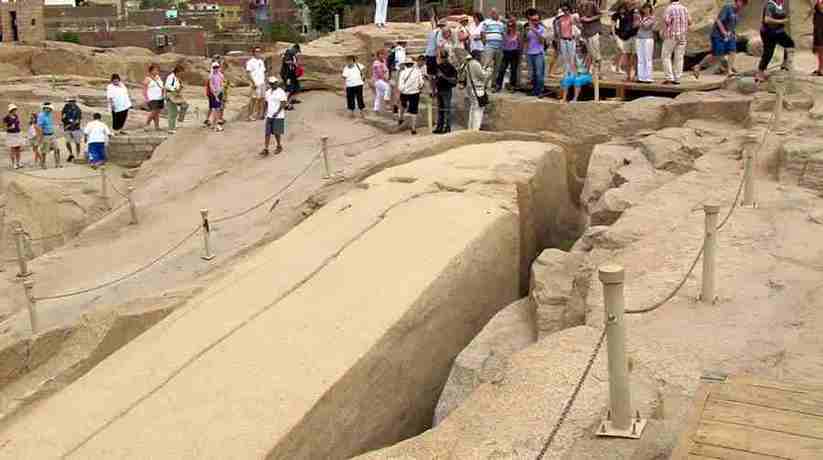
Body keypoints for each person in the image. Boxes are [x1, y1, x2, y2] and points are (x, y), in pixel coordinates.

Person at [692, 0, 746, 79]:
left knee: (732, 51)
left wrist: (733, 34)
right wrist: (724, 32)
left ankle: (729, 71)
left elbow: (732, 25)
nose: (742, 5)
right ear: (737, 1)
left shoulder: (737, 12)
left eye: (744, 3)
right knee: (716, 55)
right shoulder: (727, 7)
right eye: (741, 2)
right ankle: (698, 66)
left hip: (729, 35)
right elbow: (719, 20)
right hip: (718, 35)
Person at [757, 0, 794, 82]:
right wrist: (781, 21)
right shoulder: (770, 5)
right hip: (768, 33)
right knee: (768, 52)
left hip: (779, 31)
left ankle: (785, 64)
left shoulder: (779, 5)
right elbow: (767, 19)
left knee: (789, 44)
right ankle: (760, 73)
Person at [662, 0, 691, 85]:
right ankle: (677, 78)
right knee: (679, 57)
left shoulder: (669, 8)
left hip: (671, 36)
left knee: (666, 56)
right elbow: (690, 21)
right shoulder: (684, 8)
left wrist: (663, 31)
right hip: (683, 36)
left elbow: (667, 21)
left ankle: (669, 77)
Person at [613, 1, 639, 81]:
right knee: (627, 56)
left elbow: (636, 24)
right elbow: (620, 24)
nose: (630, 4)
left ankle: (636, 75)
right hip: (626, 37)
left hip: (635, 36)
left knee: (635, 57)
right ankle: (628, 76)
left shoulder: (636, 12)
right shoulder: (624, 12)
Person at [462, 53, 489, 131]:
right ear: (476, 55)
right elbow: (482, 76)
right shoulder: (476, 64)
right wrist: (488, 72)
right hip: (477, 89)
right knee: (478, 110)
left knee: (473, 108)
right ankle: (475, 129)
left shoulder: (467, 63)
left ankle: (470, 128)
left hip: (470, 88)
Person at [397, 57, 424, 135]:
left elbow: (400, 85)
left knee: (402, 105)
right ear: (412, 64)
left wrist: (403, 90)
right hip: (415, 93)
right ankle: (413, 128)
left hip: (405, 92)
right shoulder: (418, 71)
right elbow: (421, 83)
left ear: (405, 64)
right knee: (414, 111)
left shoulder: (403, 72)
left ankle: (400, 118)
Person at [555, 5, 579, 89]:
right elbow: (558, 30)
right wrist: (558, 40)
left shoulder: (572, 18)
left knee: (571, 57)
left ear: (570, 10)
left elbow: (577, 27)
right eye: (564, 10)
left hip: (570, 40)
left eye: (567, 10)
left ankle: (572, 75)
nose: (565, 11)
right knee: (565, 58)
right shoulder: (560, 19)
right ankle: (566, 75)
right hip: (563, 40)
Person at [480, 8, 505, 90]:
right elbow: (482, 33)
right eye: (493, 13)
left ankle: (493, 84)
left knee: (497, 67)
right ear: (491, 14)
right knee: (486, 66)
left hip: (499, 47)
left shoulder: (501, 24)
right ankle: (483, 84)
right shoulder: (486, 22)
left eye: (496, 13)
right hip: (489, 46)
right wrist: (485, 43)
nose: (495, 14)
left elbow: (502, 34)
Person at [524, 9, 547, 97]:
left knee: (539, 73)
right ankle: (534, 90)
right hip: (530, 53)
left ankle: (540, 91)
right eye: (533, 20)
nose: (535, 22)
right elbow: (526, 40)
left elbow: (542, 41)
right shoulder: (528, 29)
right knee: (532, 74)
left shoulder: (542, 29)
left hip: (538, 53)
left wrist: (534, 30)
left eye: (536, 20)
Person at [262, 76, 287, 156]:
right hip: (269, 115)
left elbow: (283, 103)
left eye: (275, 83)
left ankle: (279, 146)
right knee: (267, 133)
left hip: (278, 116)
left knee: (277, 132)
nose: (274, 85)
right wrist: (264, 113)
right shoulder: (268, 92)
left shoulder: (281, 92)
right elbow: (266, 103)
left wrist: (277, 112)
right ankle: (266, 149)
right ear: (270, 84)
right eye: (272, 83)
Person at [434, 49, 458, 134]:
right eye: (442, 57)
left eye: (444, 57)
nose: (443, 59)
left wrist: (444, 77)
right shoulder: (439, 66)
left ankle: (447, 127)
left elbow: (454, 80)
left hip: (447, 90)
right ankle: (439, 127)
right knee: (440, 109)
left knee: (447, 109)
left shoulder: (451, 67)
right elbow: (435, 78)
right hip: (439, 90)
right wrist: (434, 89)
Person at [496, 17, 521, 92]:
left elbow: (520, 43)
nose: (510, 27)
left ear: (514, 26)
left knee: (513, 70)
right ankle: (498, 85)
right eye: (509, 26)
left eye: (512, 26)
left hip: (514, 52)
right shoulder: (504, 33)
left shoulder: (517, 33)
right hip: (506, 52)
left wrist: (519, 51)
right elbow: (503, 43)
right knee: (502, 69)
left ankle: (512, 86)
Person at [578, 0, 603, 74]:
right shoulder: (579, 7)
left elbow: (600, 14)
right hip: (586, 32)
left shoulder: (592, 4)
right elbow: (582, 19)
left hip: (594, 31)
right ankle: (589, 71)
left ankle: (599, 72)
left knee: (596, 53)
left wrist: (589, 19)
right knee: (590, 53)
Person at [164, 64, 189, 134]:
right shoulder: (170, 77)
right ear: (178, 71)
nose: (182, 74)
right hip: (171, 95)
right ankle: (171, 129)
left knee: (185, 105)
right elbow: (167, 86)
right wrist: (175, 89)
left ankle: (179, 120)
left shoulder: (177, 78)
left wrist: (180, 87)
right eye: (181, 72)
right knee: (172, 112)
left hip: (176, 95)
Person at [636, 2, 656, 83]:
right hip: (639, 38)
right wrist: (639, 20)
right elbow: (635, 25)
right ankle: (641, 77)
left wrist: (639, 20)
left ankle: (648, 77)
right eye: (645, 8)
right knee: (640, 58)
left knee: (648, 58)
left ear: (650, 9)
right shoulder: (641, 17)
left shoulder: (652, 17)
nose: (646, 10)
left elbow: (646, 26)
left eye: (648, 8)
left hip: (648, 38)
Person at [245, 47, 267, 121]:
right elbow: (248, 73)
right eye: (257, 51)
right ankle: (249, 115)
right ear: (253, 53)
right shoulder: (250, 62)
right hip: (255, 83)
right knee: (253, 99)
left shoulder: (261, 61)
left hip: (262, 83)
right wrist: (253, 82)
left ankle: (259, 114)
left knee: (262, 99)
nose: (258, 53)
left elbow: (263, 72)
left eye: (259, 51)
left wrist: (265, 81)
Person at [37, 102, 60, 168]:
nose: (50, 110)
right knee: (44, 151)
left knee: (57, 149)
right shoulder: (41, 116)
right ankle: (43, 164)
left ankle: (57, 163)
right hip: (45, 135)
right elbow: (39, 127)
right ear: (45, 108)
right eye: (49, 108)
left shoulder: (50, 114)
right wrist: (41, 137)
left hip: (52, 134)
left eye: (50, 108)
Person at [143, 64, 164, 131]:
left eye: (157, 70)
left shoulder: (158, 77)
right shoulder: (147, 79)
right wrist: (146, 99)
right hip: (152, 98)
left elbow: (161, 87)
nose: (157, 71)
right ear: (151, 71)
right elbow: (144, 90)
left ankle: (157, 126)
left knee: (157, 112)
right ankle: (147, 124)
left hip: (160, 97)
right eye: (155, 70)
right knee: (153, 111)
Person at [61, 96, 83, 163]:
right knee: (67, 142)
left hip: (75, 128)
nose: (70, 103)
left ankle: (78, 155)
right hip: (67, 128)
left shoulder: (78, 110)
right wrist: (66, 123)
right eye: (69, 101)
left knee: (77, 142)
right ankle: (71, 154)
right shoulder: (65, 108)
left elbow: (77, 120)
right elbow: (63, 118)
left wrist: (69, 124)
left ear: (74, 102)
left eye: (71, 101)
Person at [280, 43, 302, 110]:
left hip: (292, 74)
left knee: (297, 86)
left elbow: (294, 64)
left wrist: (297, 67)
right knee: (288, 89)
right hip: (287, 75)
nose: (297, 52)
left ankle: (293, 99)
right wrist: (294, 63)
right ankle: (285, 104)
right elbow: (286, 61)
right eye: (296, 51)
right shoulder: (288, 53)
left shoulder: (293, 54)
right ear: (294, 48)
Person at [207, 62, 225, 131]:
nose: (216, 69)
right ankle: (215, 125)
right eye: (214, 67)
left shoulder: (221, 75)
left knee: (218, 109)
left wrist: (219, 92)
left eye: (217, 67)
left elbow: (222, 84)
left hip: (219, 93)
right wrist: (215, 95)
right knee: (215, 109)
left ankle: (215, 124)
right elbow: (211, 85)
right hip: (213, 94)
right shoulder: (211, 76)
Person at [4, 104, 22, 169]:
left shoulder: (16, 116)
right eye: (14, 109)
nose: (15, 111)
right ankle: (13, 164)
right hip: (11, 135)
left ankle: (18, 163)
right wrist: (9, 127)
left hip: (17, 133)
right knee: (13, 149)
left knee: (18, 149)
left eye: (15, 109)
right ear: (11, 110)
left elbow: (18, 124)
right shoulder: (7, 117)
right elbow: (4, 127)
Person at [815, 0, 823, 76]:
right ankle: (820, 68)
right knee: (819, 51)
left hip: (820, 29)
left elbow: (820, 8)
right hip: (818, 29)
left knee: (821, 51)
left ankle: (821, 69)